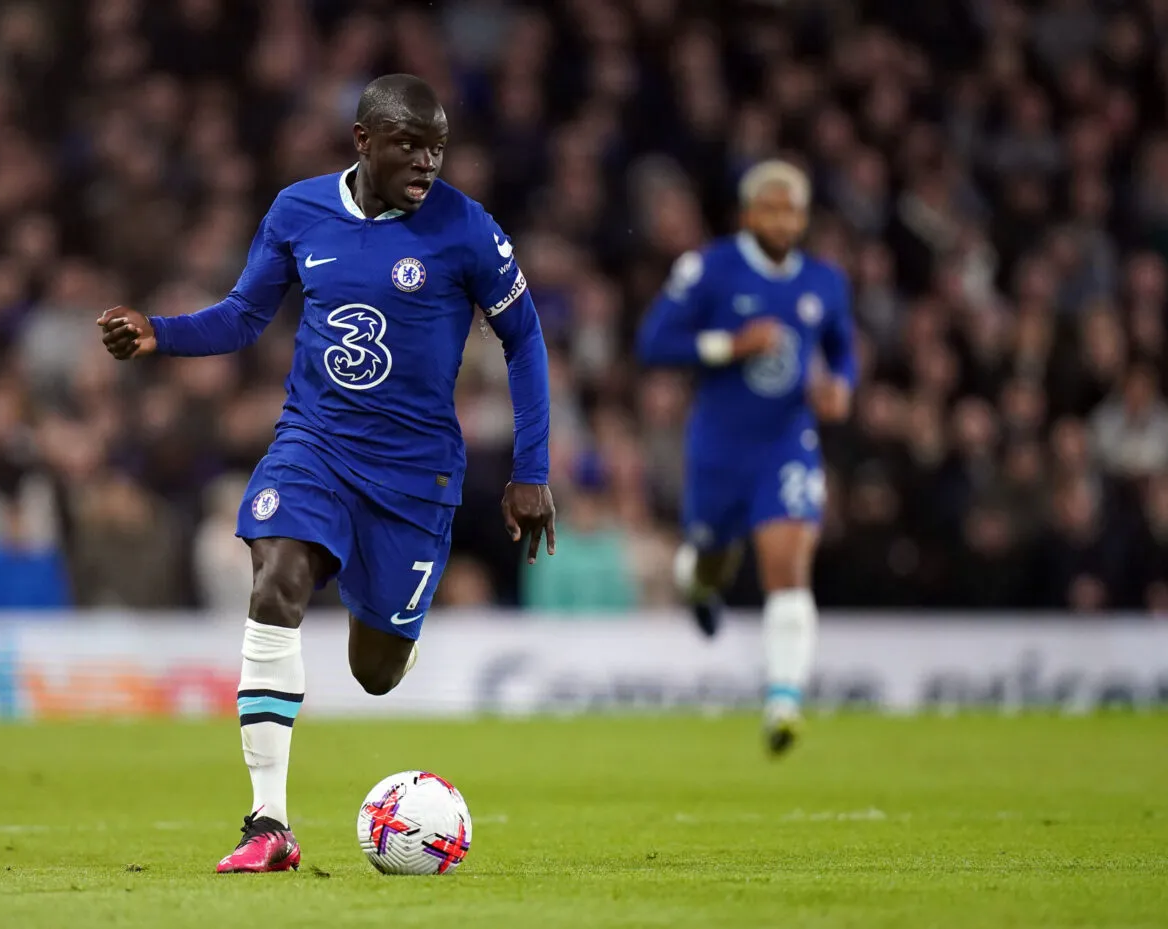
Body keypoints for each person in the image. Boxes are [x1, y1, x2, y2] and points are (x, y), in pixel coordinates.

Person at [97, 74, 555, 872]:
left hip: (415, 475)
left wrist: (531, 466)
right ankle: (266, 822)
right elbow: (245, 314)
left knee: (375, 671)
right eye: (410, 145)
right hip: (315, 443)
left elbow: (525, 338)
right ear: (363, 140)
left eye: (437, 148)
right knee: (275, 577)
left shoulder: (468, 230)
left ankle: (389, 619)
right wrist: (157, 336)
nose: (426, 163)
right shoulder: (297, 211)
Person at [636, 160, 855, 757]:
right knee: (711, 560)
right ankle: (698, 585)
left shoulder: (826, 281)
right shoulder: (709, 269)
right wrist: (731, 344)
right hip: (718, 448)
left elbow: (842, 346)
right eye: (773, 209)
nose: (785, 221)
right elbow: (653, 343)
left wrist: (841, 384)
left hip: (787, 443)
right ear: (748, 213)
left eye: (794, 210)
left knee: (786, 564)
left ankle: (783, 702)